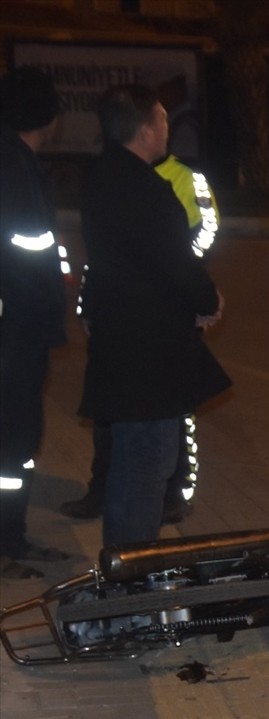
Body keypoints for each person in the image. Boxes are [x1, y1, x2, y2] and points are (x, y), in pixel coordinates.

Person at [78, 84, 230, 548]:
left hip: (120, 340)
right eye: (162, 119)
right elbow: (174, 260)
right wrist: (207, 301)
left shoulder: (101, 177)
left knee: (133, 461)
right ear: (145, 130)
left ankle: (124, 566)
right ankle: (130, 573)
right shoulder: (145, 187)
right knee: (147, 464)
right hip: (148, 353)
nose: (168, 127)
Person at [61, 151, 221, 524]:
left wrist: (174, 271)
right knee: (111, 414)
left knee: (174, 414)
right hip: (129, 313)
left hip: (170, 304)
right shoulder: (116, 175)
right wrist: (87, 303)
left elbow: (208, 228)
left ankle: (175, 495)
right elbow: (100, 252)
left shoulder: (185, 177)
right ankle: (101, 490)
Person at [0, 66, 71, 579]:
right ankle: (6, 543)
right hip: (14, 334)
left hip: (16, 330)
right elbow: (30, 256)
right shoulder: (15, 167)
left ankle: (11, 538)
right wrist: (49, 319)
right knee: (14, 442)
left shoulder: (14, 159)